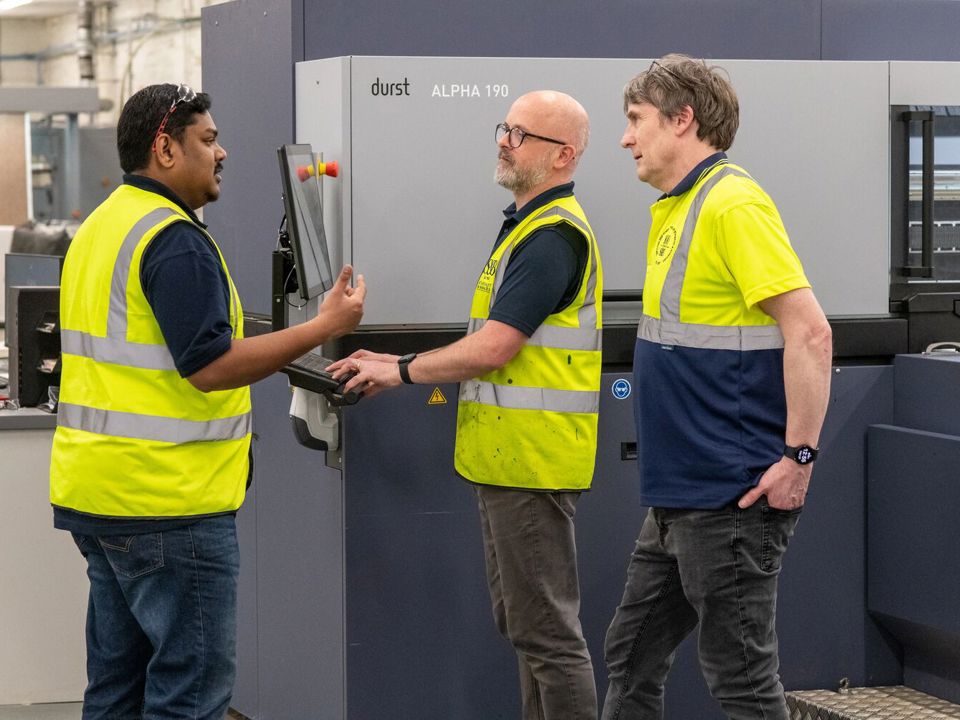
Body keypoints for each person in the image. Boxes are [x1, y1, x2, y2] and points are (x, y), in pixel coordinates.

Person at [49, 83, 365, 720]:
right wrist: (320, 326)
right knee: (188, 699)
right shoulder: (174, 240)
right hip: (170, 507)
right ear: (166, 149)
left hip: (99, 495)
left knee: (116, 691)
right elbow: (210, 368)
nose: (223, 153)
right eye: (209, 140)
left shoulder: (102, 225)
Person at [328, 90, 602, 720]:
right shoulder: (525, 228)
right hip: (507, 463)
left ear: (562, 156)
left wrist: (398, 369)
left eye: (521, 133)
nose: (504, 140)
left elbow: (494, 349)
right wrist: (389, 362)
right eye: (505, 127)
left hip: (531, 464)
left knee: (549, 638)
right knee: (527, 628)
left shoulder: (552, 238)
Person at [601, 55, 833, 720]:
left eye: (636, 121)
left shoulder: (733, 203)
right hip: (680, 494)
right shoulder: (678, 207)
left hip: (733, 494)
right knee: (632, 652)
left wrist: (800, 458)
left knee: (740, 679)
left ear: (683, 120)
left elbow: (811, 334)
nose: (626, 138)